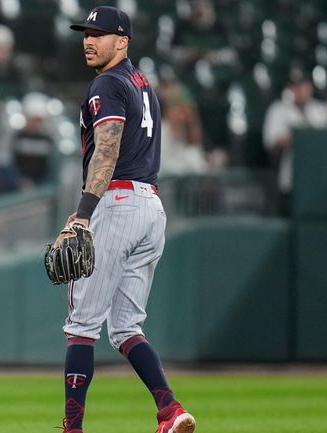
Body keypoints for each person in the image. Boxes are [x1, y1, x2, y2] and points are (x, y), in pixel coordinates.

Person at [54, 7, 196, 433]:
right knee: (126, 328)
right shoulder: (141, 83)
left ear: (123, 42)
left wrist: (83, 213)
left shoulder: (108, 83)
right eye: (86, 33)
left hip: (118, 204)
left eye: (100, 33)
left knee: (81, 327)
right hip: (150, 208)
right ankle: (170, 411)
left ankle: (72, 429)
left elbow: (108, 149)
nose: (89, 40)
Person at [262, 69, 327, 214]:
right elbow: (271, 142)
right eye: (295, 86)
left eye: (302, 86)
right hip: (289, 178)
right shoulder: (278, 110)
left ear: (310, 87)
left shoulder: (321, 110)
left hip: (319, 178)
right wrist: (303, 137)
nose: (299, 90)